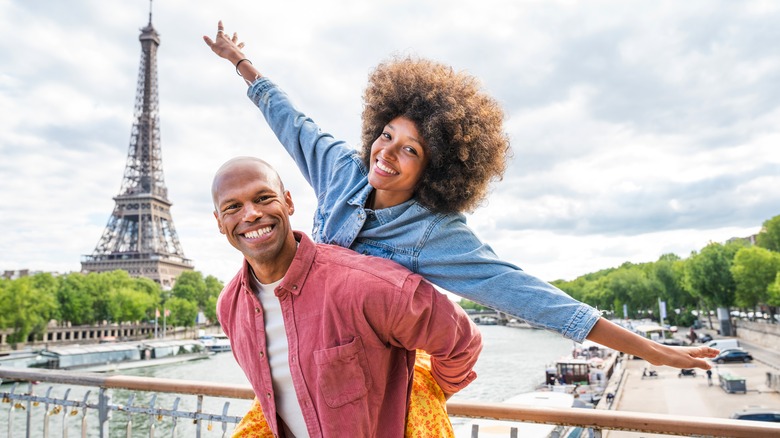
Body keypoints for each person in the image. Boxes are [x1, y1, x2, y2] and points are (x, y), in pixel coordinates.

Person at [204, 21, 719, 434]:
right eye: (386, 135)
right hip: (319, 359)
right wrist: (241, 63)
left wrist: (652, 349)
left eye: (411, 150)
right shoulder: (342, 169)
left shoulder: (435, 233)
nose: (386, 153)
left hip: (376, 378)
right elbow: (292, 122)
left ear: (438, 167)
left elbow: (530, 296)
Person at [212, 157, 482, 437]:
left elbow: (462, 342)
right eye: (233, 207)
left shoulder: (366, 284)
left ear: (288, 202)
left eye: (263, 198)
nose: (251, 214)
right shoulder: (230, 307)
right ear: (219, 222)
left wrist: (421, 396)